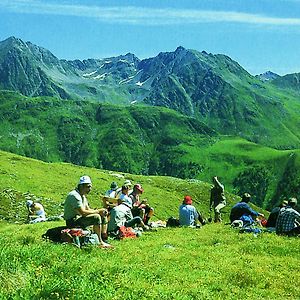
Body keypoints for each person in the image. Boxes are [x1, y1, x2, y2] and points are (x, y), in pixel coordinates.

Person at [64, 175, 111, 248]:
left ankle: (104, 237)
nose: (90, 189)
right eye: (88, 187)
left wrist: (102, 211)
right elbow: (82, 212)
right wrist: (98, 211)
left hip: (79, 219)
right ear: (81, 186)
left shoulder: (82, 196)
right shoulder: (74, 195)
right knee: (96, 217)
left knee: (103, 214)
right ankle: (100, 242)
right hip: (72, 221)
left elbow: (88, 209)